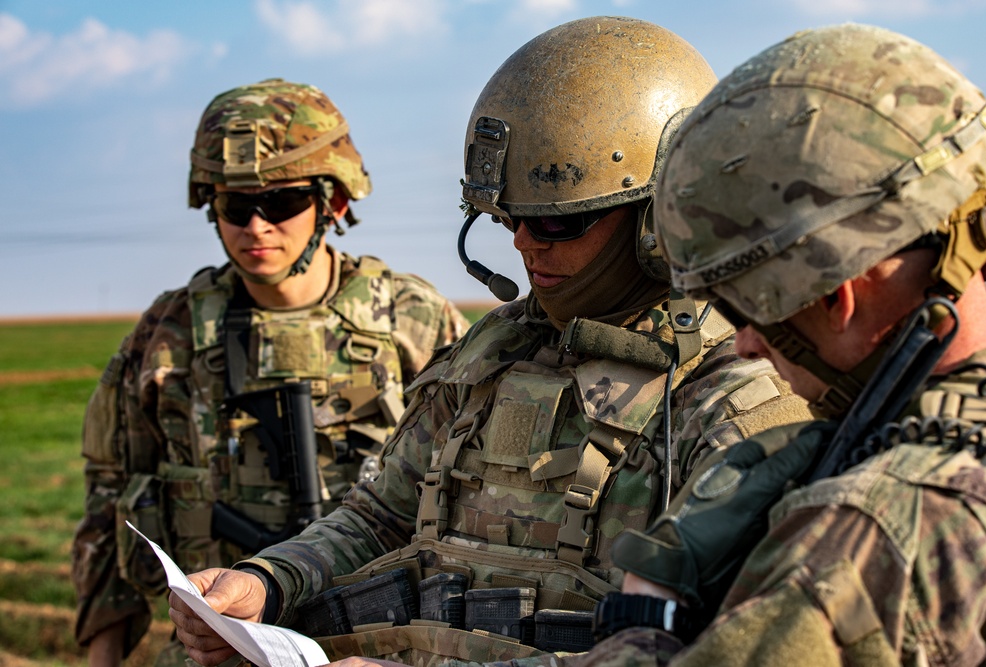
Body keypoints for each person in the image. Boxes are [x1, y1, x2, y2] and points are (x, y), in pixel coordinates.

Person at [167, 17, 814, 667]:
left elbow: (735, 648)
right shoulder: (496, 351)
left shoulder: (733, 399)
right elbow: (379, 517)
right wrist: (268, 580)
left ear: (661, 215)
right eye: (508, 218)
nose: (524, 244)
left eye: (561, 222)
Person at [573, 23, 986, 666]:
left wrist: (644, 611)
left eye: (745, 309)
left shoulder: (867, 530)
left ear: (837, 297)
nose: (743, 346)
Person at [70, 78, 469, 667]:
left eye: (280, 204)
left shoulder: (414, 321)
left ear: (333, 202)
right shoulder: (169, 333)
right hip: (213, 649)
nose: (256, 226)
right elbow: (110, 508)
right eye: (234, 206)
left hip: (375, 650)